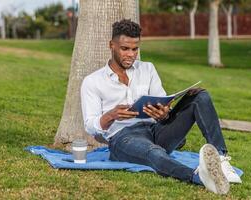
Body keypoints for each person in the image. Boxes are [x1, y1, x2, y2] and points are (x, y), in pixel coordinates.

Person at [81, 19, 241, 195]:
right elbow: (90, 126)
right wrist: (110, 115)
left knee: (199, 96)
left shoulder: (147, 69)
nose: (131, 55)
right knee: (154, 153)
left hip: (155, 130)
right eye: (125, 49)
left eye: (135, 49)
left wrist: (164, 114)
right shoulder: (93, 81)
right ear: (111, 45)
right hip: (123, 138)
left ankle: (221, 159)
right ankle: (198, 177)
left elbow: (163, 104)